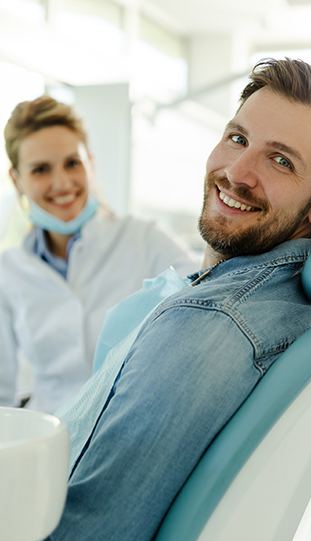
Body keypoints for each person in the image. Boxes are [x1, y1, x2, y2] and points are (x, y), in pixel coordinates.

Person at [0, 57, 311, 541]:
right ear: (18, 181)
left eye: (281, 161)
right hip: (46, 457)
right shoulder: (253, 303)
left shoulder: (210, 322)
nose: (238, 174)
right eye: (238, 139)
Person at [0, 96, 197, 413]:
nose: (61, 183)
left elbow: (206, 294)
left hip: (127, 423)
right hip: (48, 439)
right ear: (16, 179)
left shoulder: (144, 239)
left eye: (72, 163)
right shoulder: (8, 272)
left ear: (90, 162)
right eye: (40, 170)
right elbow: (2, 396)